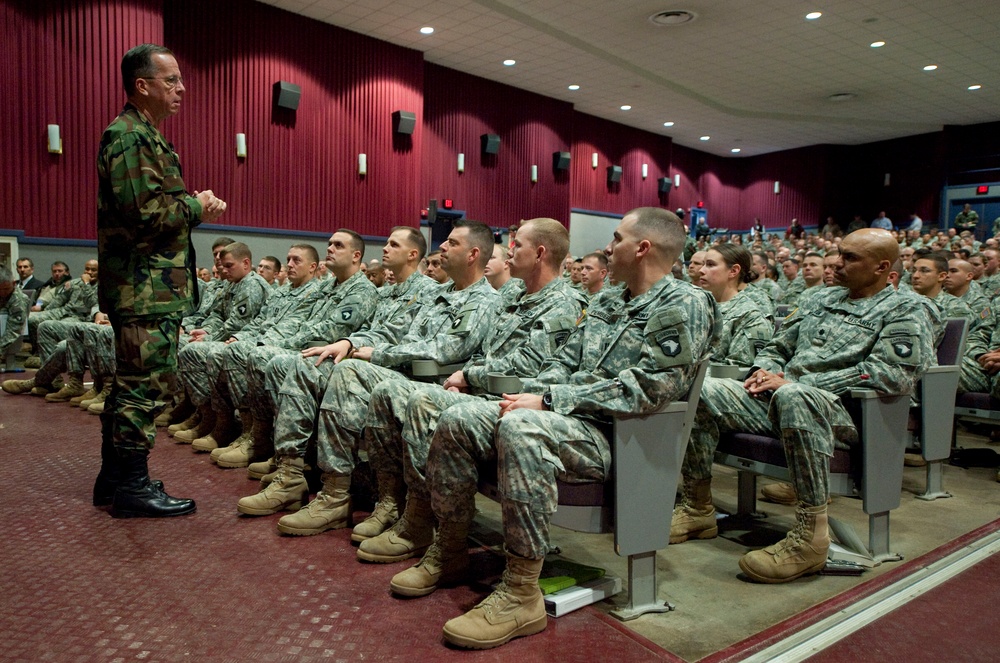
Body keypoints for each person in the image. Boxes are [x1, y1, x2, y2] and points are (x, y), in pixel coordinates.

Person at [416, 208, 717, 649]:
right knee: (461, 416)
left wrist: (549, 401)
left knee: (523, 428)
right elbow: (563, 361)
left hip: (622, 438)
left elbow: (650, 390)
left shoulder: (683, 304)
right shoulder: (610, 299)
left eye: (616, 239)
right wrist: (526, 394)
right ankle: (451, 548)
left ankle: (521, 593)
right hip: (569, 422)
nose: (608, 247)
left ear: (643, 248)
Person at [671, 229, 932, 583]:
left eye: (850, 258)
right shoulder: (818, 300)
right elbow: (777, 346)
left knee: (797, 397)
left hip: (845, 413)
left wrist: (799, 384)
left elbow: (892, 374)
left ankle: (811, 537)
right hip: (781, 396)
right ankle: (698, 507)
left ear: (882, 267)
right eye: (839, 253)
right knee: (700, 388)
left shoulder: (906, 308)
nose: (837, 263)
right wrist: (763, 371)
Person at [94, 43, 227, 518]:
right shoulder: (130, 137)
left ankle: (114, 480)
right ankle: (131, 487)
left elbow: (149, 212)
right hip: (143, 288)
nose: (181, 89)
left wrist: (189, 209)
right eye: (170, 81)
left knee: (131, 384)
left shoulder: (144, 135)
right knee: (142, 388)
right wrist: (197, 206)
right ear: (142, 85)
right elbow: (144, 216)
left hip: (148, 285)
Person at [697, 244, 771, 366]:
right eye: (703, 264)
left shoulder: (749, 315)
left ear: (733, 271)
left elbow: (739, 369)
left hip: (713, 381)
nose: (701, 270)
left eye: (710, 265)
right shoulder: (697, 304)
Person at [0, 267, 30, 371]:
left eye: (6, 289)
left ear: (13, 284)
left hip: (7, 331)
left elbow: (14, 329)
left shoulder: (19, 300)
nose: (3, 293)